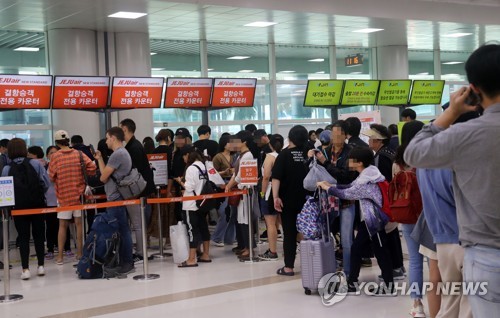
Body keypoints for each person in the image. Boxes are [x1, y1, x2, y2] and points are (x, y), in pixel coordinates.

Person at [404, 44, 500, 316]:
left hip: (486, 254)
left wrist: (451, 112)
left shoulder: (467, 134)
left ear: (474, 88)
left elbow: (413, 153)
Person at [317, 147, 394, 296]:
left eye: (351, 160)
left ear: (359, 163)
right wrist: (331, 186)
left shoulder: (367, 181)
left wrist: (328, 189)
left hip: (374, 220)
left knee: (381, 251)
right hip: (369, 220)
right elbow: (351, 187)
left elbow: (347, 193)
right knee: (358, 248)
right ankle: (352, 282)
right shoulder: (369, 174)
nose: (348, 162)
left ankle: (387, 286)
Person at [309, 120, 357, 276]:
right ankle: (329, 268)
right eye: (333, 133)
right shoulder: (324, 151)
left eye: (338, 134)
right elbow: (314, 173)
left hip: (346, 200)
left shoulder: (352, 152)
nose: (335, 137)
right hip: (327, 201)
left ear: (344, 135)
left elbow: (347, 176)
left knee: (347, 240)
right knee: (326, 237)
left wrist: (327, 163)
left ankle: (349, 273)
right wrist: (311, 158)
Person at [2, 138, 50, 280]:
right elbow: (45, 183)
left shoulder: (7, 168)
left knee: (23, 237)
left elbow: (5, 191)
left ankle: (25, 269)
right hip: (37, 206)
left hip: (18, 208)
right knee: (39, 235)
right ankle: (41, 266)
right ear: (24, 149)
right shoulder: (35, 163)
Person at [393, 120, 426, 317]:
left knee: (414, 260)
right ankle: (437, 299)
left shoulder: (399, 159)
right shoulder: (426, 155)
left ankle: (417, 303)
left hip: (407, 214)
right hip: (427, 213)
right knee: (432, 259)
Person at [364, 124, 405, 280]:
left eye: (371, 138)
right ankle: (398, 267)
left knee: (386, 236)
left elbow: (381, 182)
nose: (368, 141)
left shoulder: (380, 157)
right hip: (393, 201)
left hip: (384, 203)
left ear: (378, 140)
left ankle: (393, 269)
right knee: (393, 233)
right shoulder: (391, 153)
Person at [49, 130, 96, 265]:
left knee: (62, 226)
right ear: (68, 140)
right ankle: (80, 253)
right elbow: (92, 168)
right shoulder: (79, 154)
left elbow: (51, 176)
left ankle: (60, 257)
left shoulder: (55, 157)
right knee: (79, 224)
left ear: (56, 142)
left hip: (63, 196)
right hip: (79, 195)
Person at [94, 127, 135, 275]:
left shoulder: (117, 154)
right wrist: (99, 159)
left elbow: (103, 178)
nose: (106, 141)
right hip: (118, 197)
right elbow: (106, 175)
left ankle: (127, 262)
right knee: (121, 230)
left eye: (107, 138)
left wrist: (101, 165)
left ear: (113, 138)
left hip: (116, 199)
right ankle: (124, 260)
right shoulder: (121, 153)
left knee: (122, 231)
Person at [272, 125, 310, 276]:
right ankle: (313, 263)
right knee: (310, 232)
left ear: (290, 138)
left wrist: (275, 197)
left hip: (288, 200)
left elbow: (276, 178)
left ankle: (289, 267)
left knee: (289, 233)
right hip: (308, 201)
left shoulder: (284, 155)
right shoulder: (310, 153)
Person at [120, 118, 155, 263]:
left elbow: (135, 173)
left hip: (138, 191)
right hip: (141, 190)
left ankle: (141, 253)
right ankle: (141, 250)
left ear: (125, 130)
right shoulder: (134, 145)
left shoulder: (133, 148)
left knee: (138, 224)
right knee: (138, 223)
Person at [175, 145, 212, 267]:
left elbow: (189, 187)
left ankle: (191, 259)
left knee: (192, 231)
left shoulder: (191, 168)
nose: (184, 160)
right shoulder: (203, 165)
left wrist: (180, 181)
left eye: (184, 157)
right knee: (203, 228)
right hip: (202, 203)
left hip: (191, 204)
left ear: (187, 155)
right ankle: (206, 254)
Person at [226, 130, 260, 261]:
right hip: (241, 193)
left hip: (246, 193)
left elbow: (240, 177)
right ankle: (246, 247)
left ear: (244, 142)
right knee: (241, 219)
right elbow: (235, 175)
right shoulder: (241, 155)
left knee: (246, 219)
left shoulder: (247, 156)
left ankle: (249, 248)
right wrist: (229, 185)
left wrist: (230, 185)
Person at [28, 146, 58, 260]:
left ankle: (63, 247)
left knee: (61, 225)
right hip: (47, 200)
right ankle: (50, 248)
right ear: (47, 155)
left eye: (55, 153)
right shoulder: (43, 166)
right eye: (51, 153)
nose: (53, 155)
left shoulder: (59, 166)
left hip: (59, 200)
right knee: (49, 226)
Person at [259, 134, 284, 261]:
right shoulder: (284, 155)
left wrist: (262, 192)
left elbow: (266, 176)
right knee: (285, 221)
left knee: (271, 223)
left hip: (269, 191)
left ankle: (272, 251)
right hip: (283, 191)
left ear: (270, 144)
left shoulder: (270, 156)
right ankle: (295, 245)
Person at [211, 134, 236, 247]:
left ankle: (229, 238)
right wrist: (224, 172)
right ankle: (217, 237)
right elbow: (212, 174)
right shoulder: (218, 157)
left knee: (232, 212)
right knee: (225, 212)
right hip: (222, 185)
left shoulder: (235, 156)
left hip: (233, 184)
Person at [167, 128, 191, 222]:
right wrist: (169, 190)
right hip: (178, 188)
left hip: (189, 188)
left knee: (188, 215)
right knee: (179, 214)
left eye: (181, 138)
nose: (179, 140)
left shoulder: (192, 153)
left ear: (187, 139)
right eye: (177, 138)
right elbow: (172, 174)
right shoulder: (174, 154)